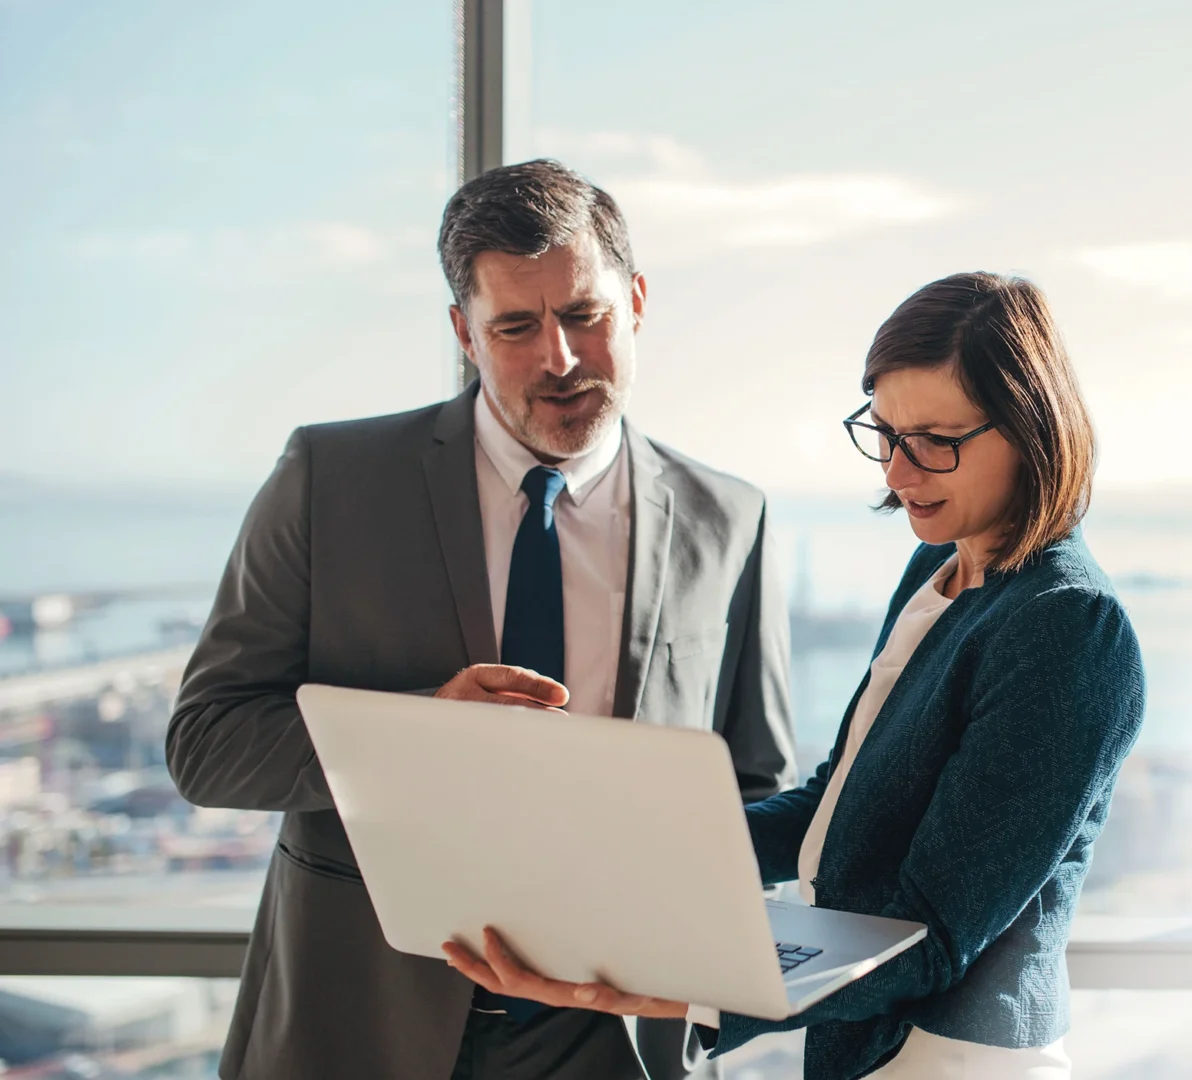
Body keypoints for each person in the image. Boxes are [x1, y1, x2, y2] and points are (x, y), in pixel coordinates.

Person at [166, 159, 796, 1080]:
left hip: (612, 1040)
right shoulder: (328, 480)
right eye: (515, 326)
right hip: (360, 1020)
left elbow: (753, 788)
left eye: (587, 315)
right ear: (464, 332)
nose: (561, 358)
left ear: (640, 300)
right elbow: (206, 744)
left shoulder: (730, 517)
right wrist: (420, 735)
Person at [448, 272, 1147, 1079]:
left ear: (1032, 429)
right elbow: (833, 806)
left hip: (959, 1059)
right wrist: (624, 847)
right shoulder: (938, 571)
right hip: (869, 1052)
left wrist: (675, 983)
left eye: (935, 441)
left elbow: (932, 936)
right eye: (884, 433)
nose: (896, 472)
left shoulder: (1068, 626)